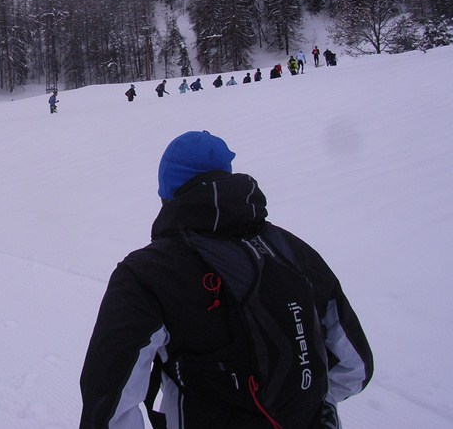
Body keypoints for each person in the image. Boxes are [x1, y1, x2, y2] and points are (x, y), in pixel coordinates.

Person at [79, 131, 373, 428]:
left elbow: (108, 404)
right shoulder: (293, 250)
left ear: (166, 190)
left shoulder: (145, 273)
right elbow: (355, 367)